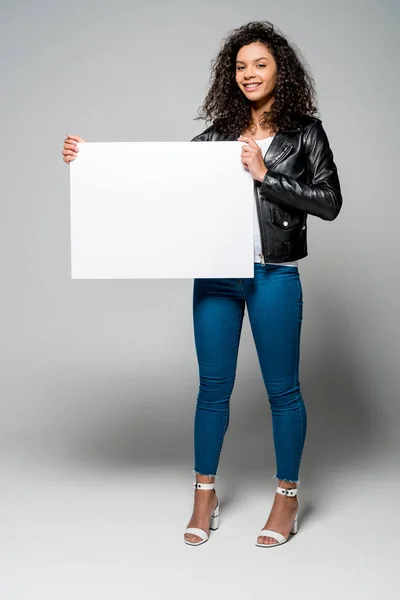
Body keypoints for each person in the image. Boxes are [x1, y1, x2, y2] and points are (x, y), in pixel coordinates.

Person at [61, 20, 342, 548]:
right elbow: (158, 180)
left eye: (260, 63)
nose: (249, 74)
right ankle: (204, 495)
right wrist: (90, 162)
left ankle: (287, 498)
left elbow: (329, 202)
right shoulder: (217, 134)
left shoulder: (306, 132)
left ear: (281, 69)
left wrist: (265, 174)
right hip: (216, 276)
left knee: (284, 391)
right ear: (229, 75)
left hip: (273, 274)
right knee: (213, 388)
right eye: (240, 66)